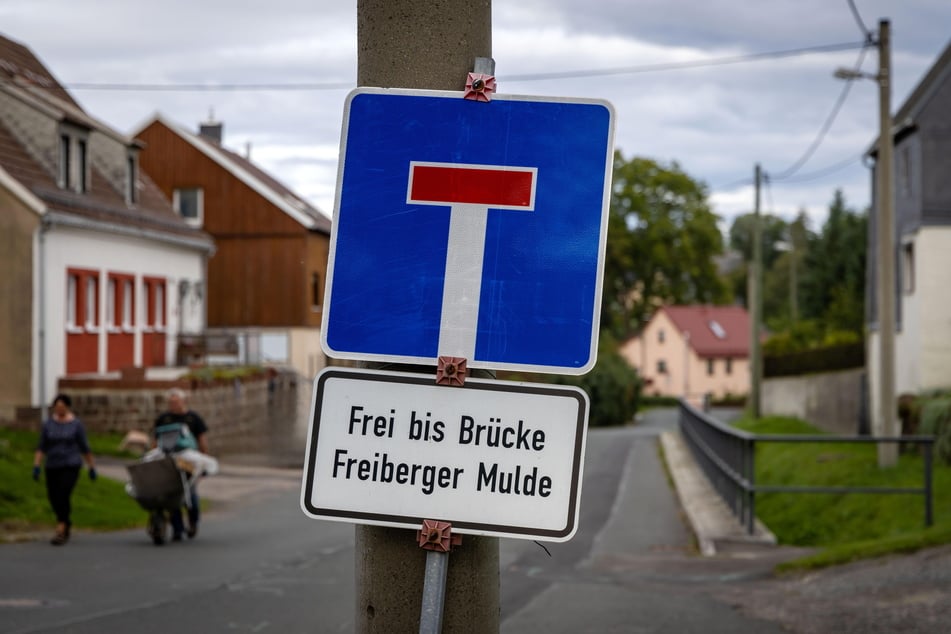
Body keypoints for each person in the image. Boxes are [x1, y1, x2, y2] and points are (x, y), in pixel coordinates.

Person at [33, 394, 97, 546]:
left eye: (62, 406)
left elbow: (84, 447)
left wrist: (91, 467)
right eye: (57, 406)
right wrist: (36, 465)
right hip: (52, 465)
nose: (59, 409)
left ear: (67, 407)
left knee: (63, 493)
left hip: (71, 464)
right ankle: (66, 521)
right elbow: (42, 446)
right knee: (53, 496)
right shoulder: (49, 424)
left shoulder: (76, 424)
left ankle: (61, 527)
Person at [153, 388, 208, 541]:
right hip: (169, 462)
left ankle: (193, 520)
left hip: (188, 462)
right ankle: (177, 529)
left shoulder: (193, 418)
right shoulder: (164, 419)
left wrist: (203, 462)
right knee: (173, 496)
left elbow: (202, 440)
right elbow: (156, 440)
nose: (172, 405)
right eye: (170, 402)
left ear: (183, 402)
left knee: (190, 493)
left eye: (175, 402)